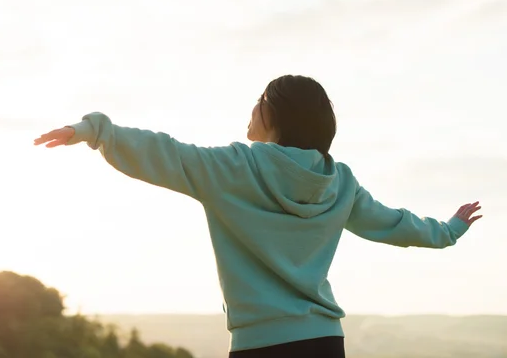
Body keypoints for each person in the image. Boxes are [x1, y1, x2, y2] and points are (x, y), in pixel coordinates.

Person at [34, 75, 482, 358]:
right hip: (327, 342)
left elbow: (164, 152)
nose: (252, 107)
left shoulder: (234, 167)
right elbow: (393, 222)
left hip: (260, 345)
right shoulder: (340, 181)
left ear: (276, 112)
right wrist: (449, 230)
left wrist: (94, 131)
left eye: (260, 99)